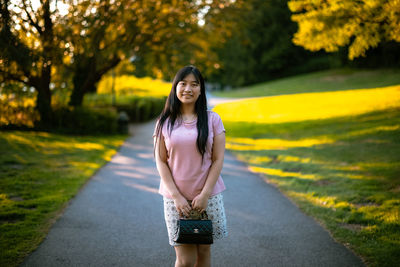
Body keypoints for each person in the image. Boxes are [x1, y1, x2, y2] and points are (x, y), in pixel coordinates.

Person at [153, 65, 228, 267]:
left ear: (201, 89)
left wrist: (204, 194)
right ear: (175, 87)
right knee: (185, 261)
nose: (188, 88)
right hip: (175, 200)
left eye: (194, 84)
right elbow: (160, 160)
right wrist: (177, 196)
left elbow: (218, 159)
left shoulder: (213, 119)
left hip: (207, 197)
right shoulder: (164, 122)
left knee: (203, 253)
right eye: (183, 83)